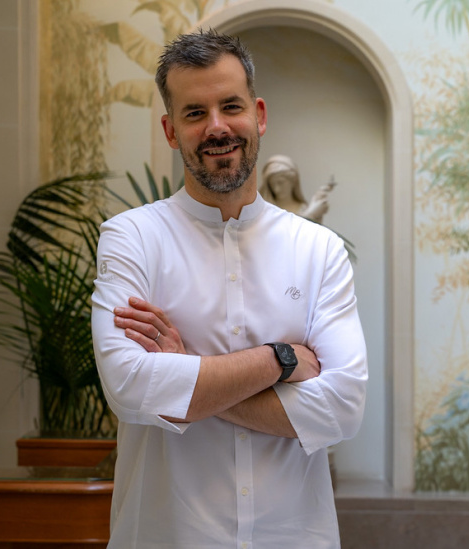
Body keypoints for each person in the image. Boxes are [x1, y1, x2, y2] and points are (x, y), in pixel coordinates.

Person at [91, 28, 368, 549]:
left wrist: (186, 371)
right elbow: (129, 387)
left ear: (258, 115)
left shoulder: (319, 250)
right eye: (195, 113)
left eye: (230, 106)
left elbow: (342, 408)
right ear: (171, 131)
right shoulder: (130, 238)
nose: (217, 127)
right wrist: (280, 359)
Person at [259, 154, 337, 224]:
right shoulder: (267, 211)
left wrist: (317, 208)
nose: (277, 189)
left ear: (293, 181)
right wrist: (310, 214)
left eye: (281, 183)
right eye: (272, 184)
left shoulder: (302, 207)